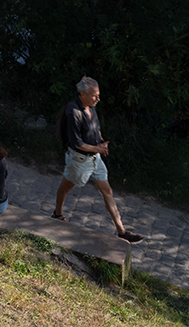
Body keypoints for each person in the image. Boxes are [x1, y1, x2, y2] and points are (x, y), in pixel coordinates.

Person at [54, 76, 141, 242]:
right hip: (79, 161)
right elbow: (77, 143)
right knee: (65, 187)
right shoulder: (74, 113)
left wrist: (100, 142)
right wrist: (98, 148)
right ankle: (57, 214)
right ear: (82, 94)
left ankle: (122, 231)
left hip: (95, 159)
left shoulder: (91, 107)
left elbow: (96, 128)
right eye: (94, 96)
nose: (98, 99)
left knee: (107, 191)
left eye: (98, 95)